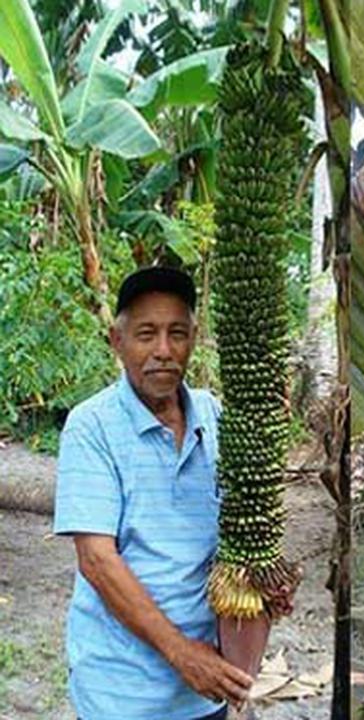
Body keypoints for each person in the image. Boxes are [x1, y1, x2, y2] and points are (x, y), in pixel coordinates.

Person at [54, 267, 255, 719]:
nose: (163, 351)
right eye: (146, 334)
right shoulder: (92, 427)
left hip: (205, 687)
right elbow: (97, 561)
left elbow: (241, 528)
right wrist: (182, 654)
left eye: (177, 333)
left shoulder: (216, 416)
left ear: (193, 338)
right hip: (122, 693)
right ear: (117, 341)